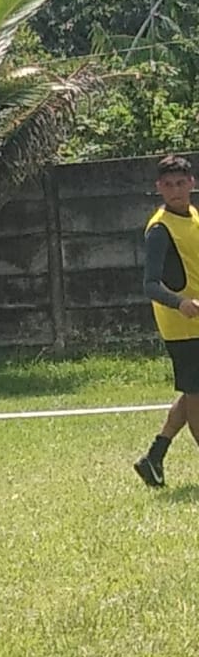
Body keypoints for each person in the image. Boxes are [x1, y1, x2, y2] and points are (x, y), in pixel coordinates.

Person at [134, 154, 199, 488]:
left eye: (181, 183)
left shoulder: (193, 217)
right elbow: (149, 284)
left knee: (192, 393)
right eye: (168, 185)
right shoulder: (159, 230)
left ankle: (154, 458)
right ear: (159, 188)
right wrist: (180, 303)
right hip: (183, 327)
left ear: (192, 183)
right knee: (196, 394)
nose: (175, 190)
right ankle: (153, 458)